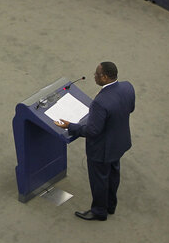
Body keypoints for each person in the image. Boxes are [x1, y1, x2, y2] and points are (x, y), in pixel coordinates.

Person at [54, 62, 135, 221]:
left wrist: (70, 126)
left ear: (104, 77)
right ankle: (111, 205)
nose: (95, 77)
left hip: (101, 149)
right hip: (119, 143)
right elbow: (130, 109)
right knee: (113, 174)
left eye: (97, 75)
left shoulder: (101, 101)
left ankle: (99, 211)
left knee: (100, 180)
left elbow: (92, 131)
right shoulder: (127, 87)